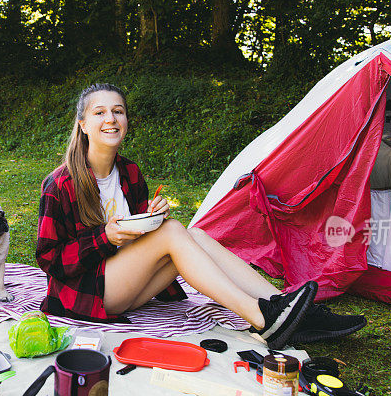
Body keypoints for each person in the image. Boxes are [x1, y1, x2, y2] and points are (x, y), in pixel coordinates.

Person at [36, 83, 365, 350]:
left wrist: (148, 219)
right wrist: (105, 238)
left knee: (197, 236)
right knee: (174, 231)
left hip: (126, 285)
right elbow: (50, 260)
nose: (111, 118)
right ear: (83, 124)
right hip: (87, 295)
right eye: (100, 112)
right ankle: (262, 317)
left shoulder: (129, 173)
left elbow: (132, 236)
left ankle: (290, 308)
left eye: (118, 111)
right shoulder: (60, 184)